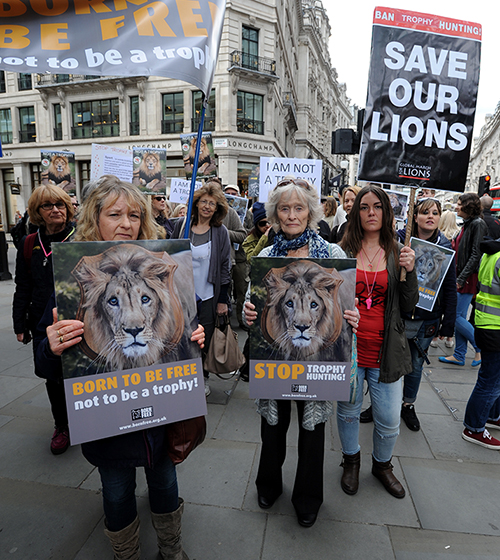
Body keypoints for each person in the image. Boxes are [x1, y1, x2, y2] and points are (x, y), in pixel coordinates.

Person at [34, 176, 205, 560]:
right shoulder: (71, 281)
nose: (126, 223)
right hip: (106, 423)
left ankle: (171, 547)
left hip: (162, 420)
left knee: (164, 482)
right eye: (115, 214)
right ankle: (125, 554)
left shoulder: (163, 270)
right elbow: (43, 364)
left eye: (134, 214)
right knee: (115, 490)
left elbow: (186, 329)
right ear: (95, 219)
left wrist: (196, 339)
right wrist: (53, 346)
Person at [243, 177, 359, 528]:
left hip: (318, 360)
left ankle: (308, 497)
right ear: (275, 214)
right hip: (276, 358)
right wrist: (248, 312)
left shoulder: (332, 254)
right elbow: (253, 302)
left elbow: (344, 306)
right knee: (272, 427)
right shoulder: (266, 255)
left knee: (313, 431)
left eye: (298, 208)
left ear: (310, 211)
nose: (292, 215)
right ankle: (269, 484)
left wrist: (351, 314)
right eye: (284, 208)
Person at [337, 185, 418, 499]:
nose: (371, 213)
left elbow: (410, 304)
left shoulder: (400, 252)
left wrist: (409, 272)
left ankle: (382, 465)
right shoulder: (342, 250)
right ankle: (351, 461)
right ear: (356, 213)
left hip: (387, 351)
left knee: (387, 419)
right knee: (347, 412)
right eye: (364, 207)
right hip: (350, 349)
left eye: (377, 207)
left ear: (387, 212)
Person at [12, 184, 76, 455]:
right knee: (52, 376)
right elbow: (22, 287)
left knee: (77, 372)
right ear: (37, 211)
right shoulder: (29, 244)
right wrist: (19, 324)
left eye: (60, 204)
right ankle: (62, 425)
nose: (55, 210)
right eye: (48, 206)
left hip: (74, 317)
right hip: (41, 321)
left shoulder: (79, 238)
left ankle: (84, 418)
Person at [391, 198, 456, 430]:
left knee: (416, 365)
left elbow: (449, 288)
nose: (430, 216)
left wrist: (448, 325)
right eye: (425, 212)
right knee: (388, 360)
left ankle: (408, 405)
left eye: (435, 213)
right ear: (414, 216)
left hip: (426, 318)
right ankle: (384, 404)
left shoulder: (446, 248)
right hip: (397, 313)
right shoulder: (398, 239)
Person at [172, 182, 232, 397]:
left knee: (203, 337)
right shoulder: (181, 225)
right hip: (182, 294)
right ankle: (183, 375)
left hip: (208, 294)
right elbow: (168, 257)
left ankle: (202, 377)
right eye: (204, 202)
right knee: (181, 335)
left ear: (217, 209)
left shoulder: (220, 232)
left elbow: (226, 266)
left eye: (212, 204)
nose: (207, 206)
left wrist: (223, 300)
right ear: (196, 204)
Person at [439, 193, 487, 368]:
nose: (456, 207)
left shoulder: (477, 224)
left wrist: (461, 278)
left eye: (459, 204)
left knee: (456, 316)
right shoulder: (468, 224)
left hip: (466, 278)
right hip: (461, 276)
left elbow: (476, 254)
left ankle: (481, 347)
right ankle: (459, 354)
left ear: (468, 206)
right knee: (458, 316)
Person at [462, 236, 500, 449]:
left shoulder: (493, 251)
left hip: (487, 322)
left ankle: (492, 415)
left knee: (493, 377)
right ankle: (474, 427)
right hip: (495, 326)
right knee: (490, 381)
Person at [430, 209, 461, 349]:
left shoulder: (440, 237)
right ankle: (449, 338)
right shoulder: (457, 234)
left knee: (439, 302)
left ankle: (435, 337)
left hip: (439, 276)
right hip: (454, 273)